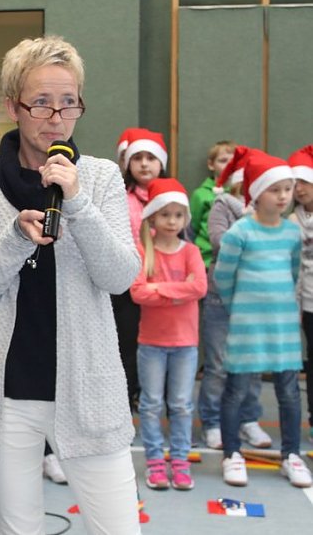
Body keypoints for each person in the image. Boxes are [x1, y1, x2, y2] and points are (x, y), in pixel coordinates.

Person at [0, 35, 141, 534]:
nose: (56, 116)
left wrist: (76, 203)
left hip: (88, 389)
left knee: (118, 527)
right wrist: (15, 238)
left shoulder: (99, 178)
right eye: (41, 102)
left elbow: (121, 275)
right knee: (18, 528)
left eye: (68, 102)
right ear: (13, 105)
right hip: (7, 397)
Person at [214, 154, 313, 488]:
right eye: (275, 190)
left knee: (288, 392)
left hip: (283, 329)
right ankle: (231, 453)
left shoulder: (291, 234)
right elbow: (223, 278)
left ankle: (291, 455)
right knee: (236, 390)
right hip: (247, 328)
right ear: (257, 193)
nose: (284, 196)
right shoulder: (239, 233)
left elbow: (293, 273)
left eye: (288, 189)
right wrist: (240, 310)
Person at [130, 178, 207, 491]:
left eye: (178, 215)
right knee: (150, 405)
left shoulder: (190, 252)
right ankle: (155, 463)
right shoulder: (142, 251)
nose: (172, 221)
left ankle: (180, 461)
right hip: (151, 343)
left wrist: (159, 288)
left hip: (185, 344)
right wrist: (180, 291)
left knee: (181, 405)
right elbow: (137, 293)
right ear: (153, 217)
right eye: (165, 214)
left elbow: (199, 287)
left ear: (185, 219)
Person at [197, 146, 269, 450]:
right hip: (221, 297)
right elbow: (220, 241)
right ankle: (212, 422)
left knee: (252, 363)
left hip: (254, 298)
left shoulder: (268, 211)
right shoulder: (223, 204)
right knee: (217, 364)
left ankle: (248, 418)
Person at [112, 128, 169, 412]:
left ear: (162, 163)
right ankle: (126, 396)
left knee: (164, 342)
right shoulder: (120, 197)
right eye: (138, 158)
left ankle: (158, 398)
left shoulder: (173, 198)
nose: (144, 164)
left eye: (151, 158)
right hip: (127, 285)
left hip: (163, 285)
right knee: (128, 343)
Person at [287, 144, 313, 444]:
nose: (299, 189)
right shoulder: (292, 220)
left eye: (304, 182)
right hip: (299, 302)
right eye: (295, 184)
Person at [189, 140, 235, 268]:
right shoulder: (201, 194)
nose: (230, 165)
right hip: (207, 260)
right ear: (211, 165)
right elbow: (193, 227)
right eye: (223, 161)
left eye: (234, 161)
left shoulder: (240, 195)